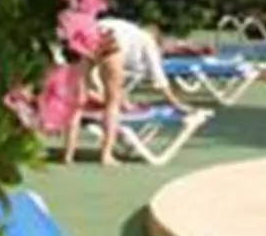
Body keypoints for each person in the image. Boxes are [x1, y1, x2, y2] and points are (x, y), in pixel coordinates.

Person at [65, 18, 189, 166]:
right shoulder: (147, 41)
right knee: (112, 104)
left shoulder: (129, 30)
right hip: (110, 41)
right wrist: (174, 102)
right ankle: (106, 156)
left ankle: (68, 155)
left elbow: (94, 78)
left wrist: (111, 96)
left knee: (77, 102)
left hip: (88, 34)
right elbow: (158, 76)